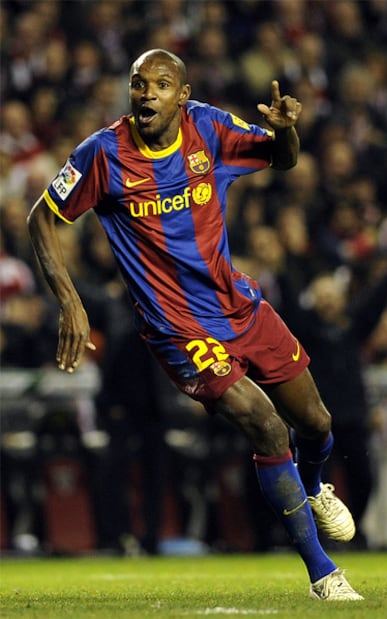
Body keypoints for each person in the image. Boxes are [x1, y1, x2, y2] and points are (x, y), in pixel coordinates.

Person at [27, 48, 363, 601]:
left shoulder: (208, 126)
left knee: (317, 423)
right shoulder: (103, 153)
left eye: (160, 85)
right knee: (266, 425)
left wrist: (285, 132)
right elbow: (43, 215)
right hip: (177, 327)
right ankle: (324, 574)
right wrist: (68, 299)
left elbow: (283, 159)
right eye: (139, 84)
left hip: (240, 307)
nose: (147, 94)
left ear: (181, 96)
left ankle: (311, 487)